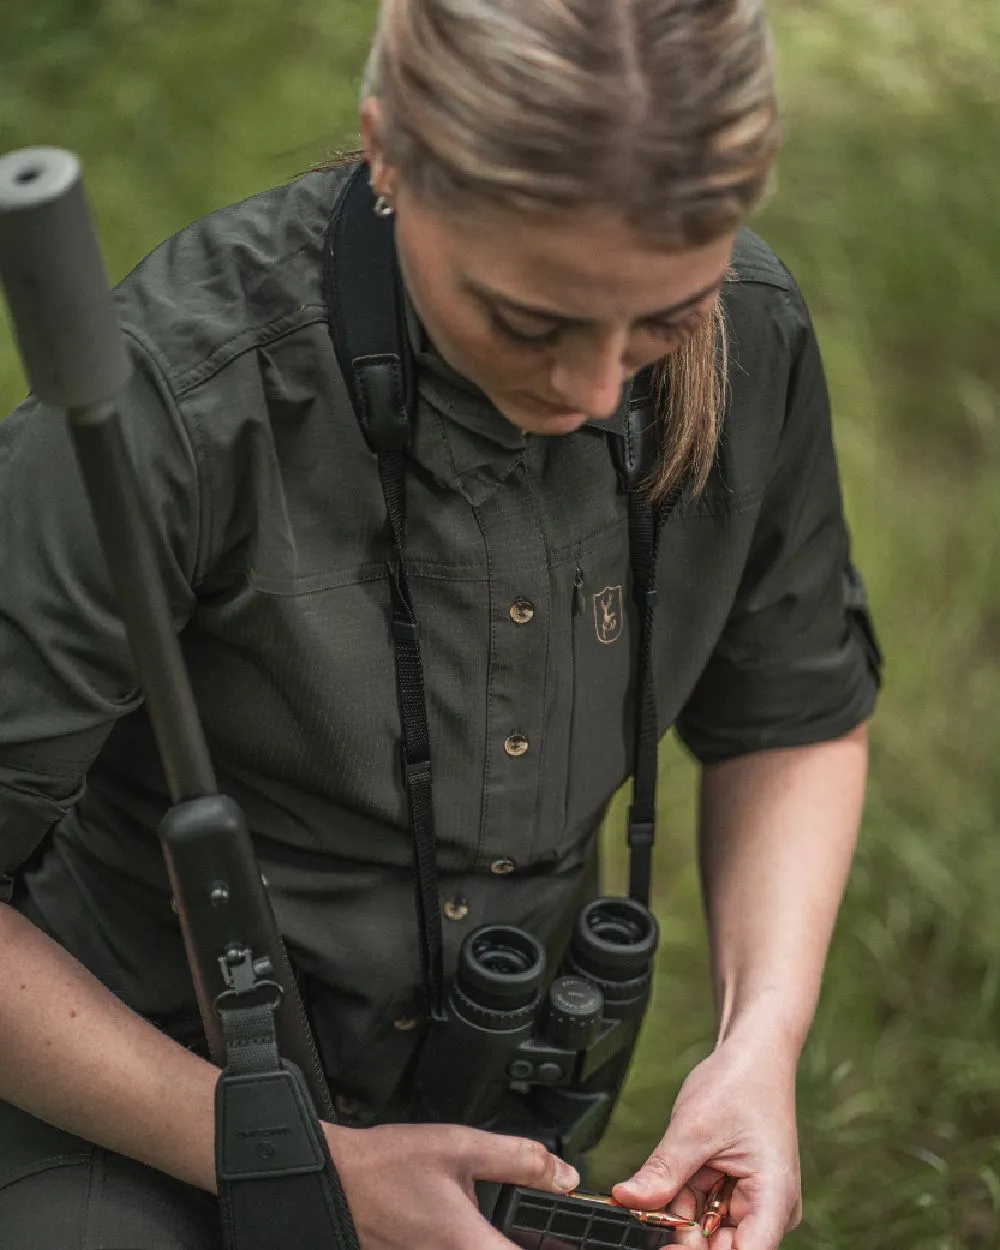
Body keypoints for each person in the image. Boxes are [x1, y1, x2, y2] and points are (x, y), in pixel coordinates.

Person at [0, 0, 882, 1247]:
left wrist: (757, 1044)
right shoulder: (175, 403)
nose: (589, 391)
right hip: (118, 1091)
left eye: (662, 323)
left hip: (496, 1118)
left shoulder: (758, 328)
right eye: (529, 321)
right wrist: (297, 1154)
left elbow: (792, 718)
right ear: (388, 152)